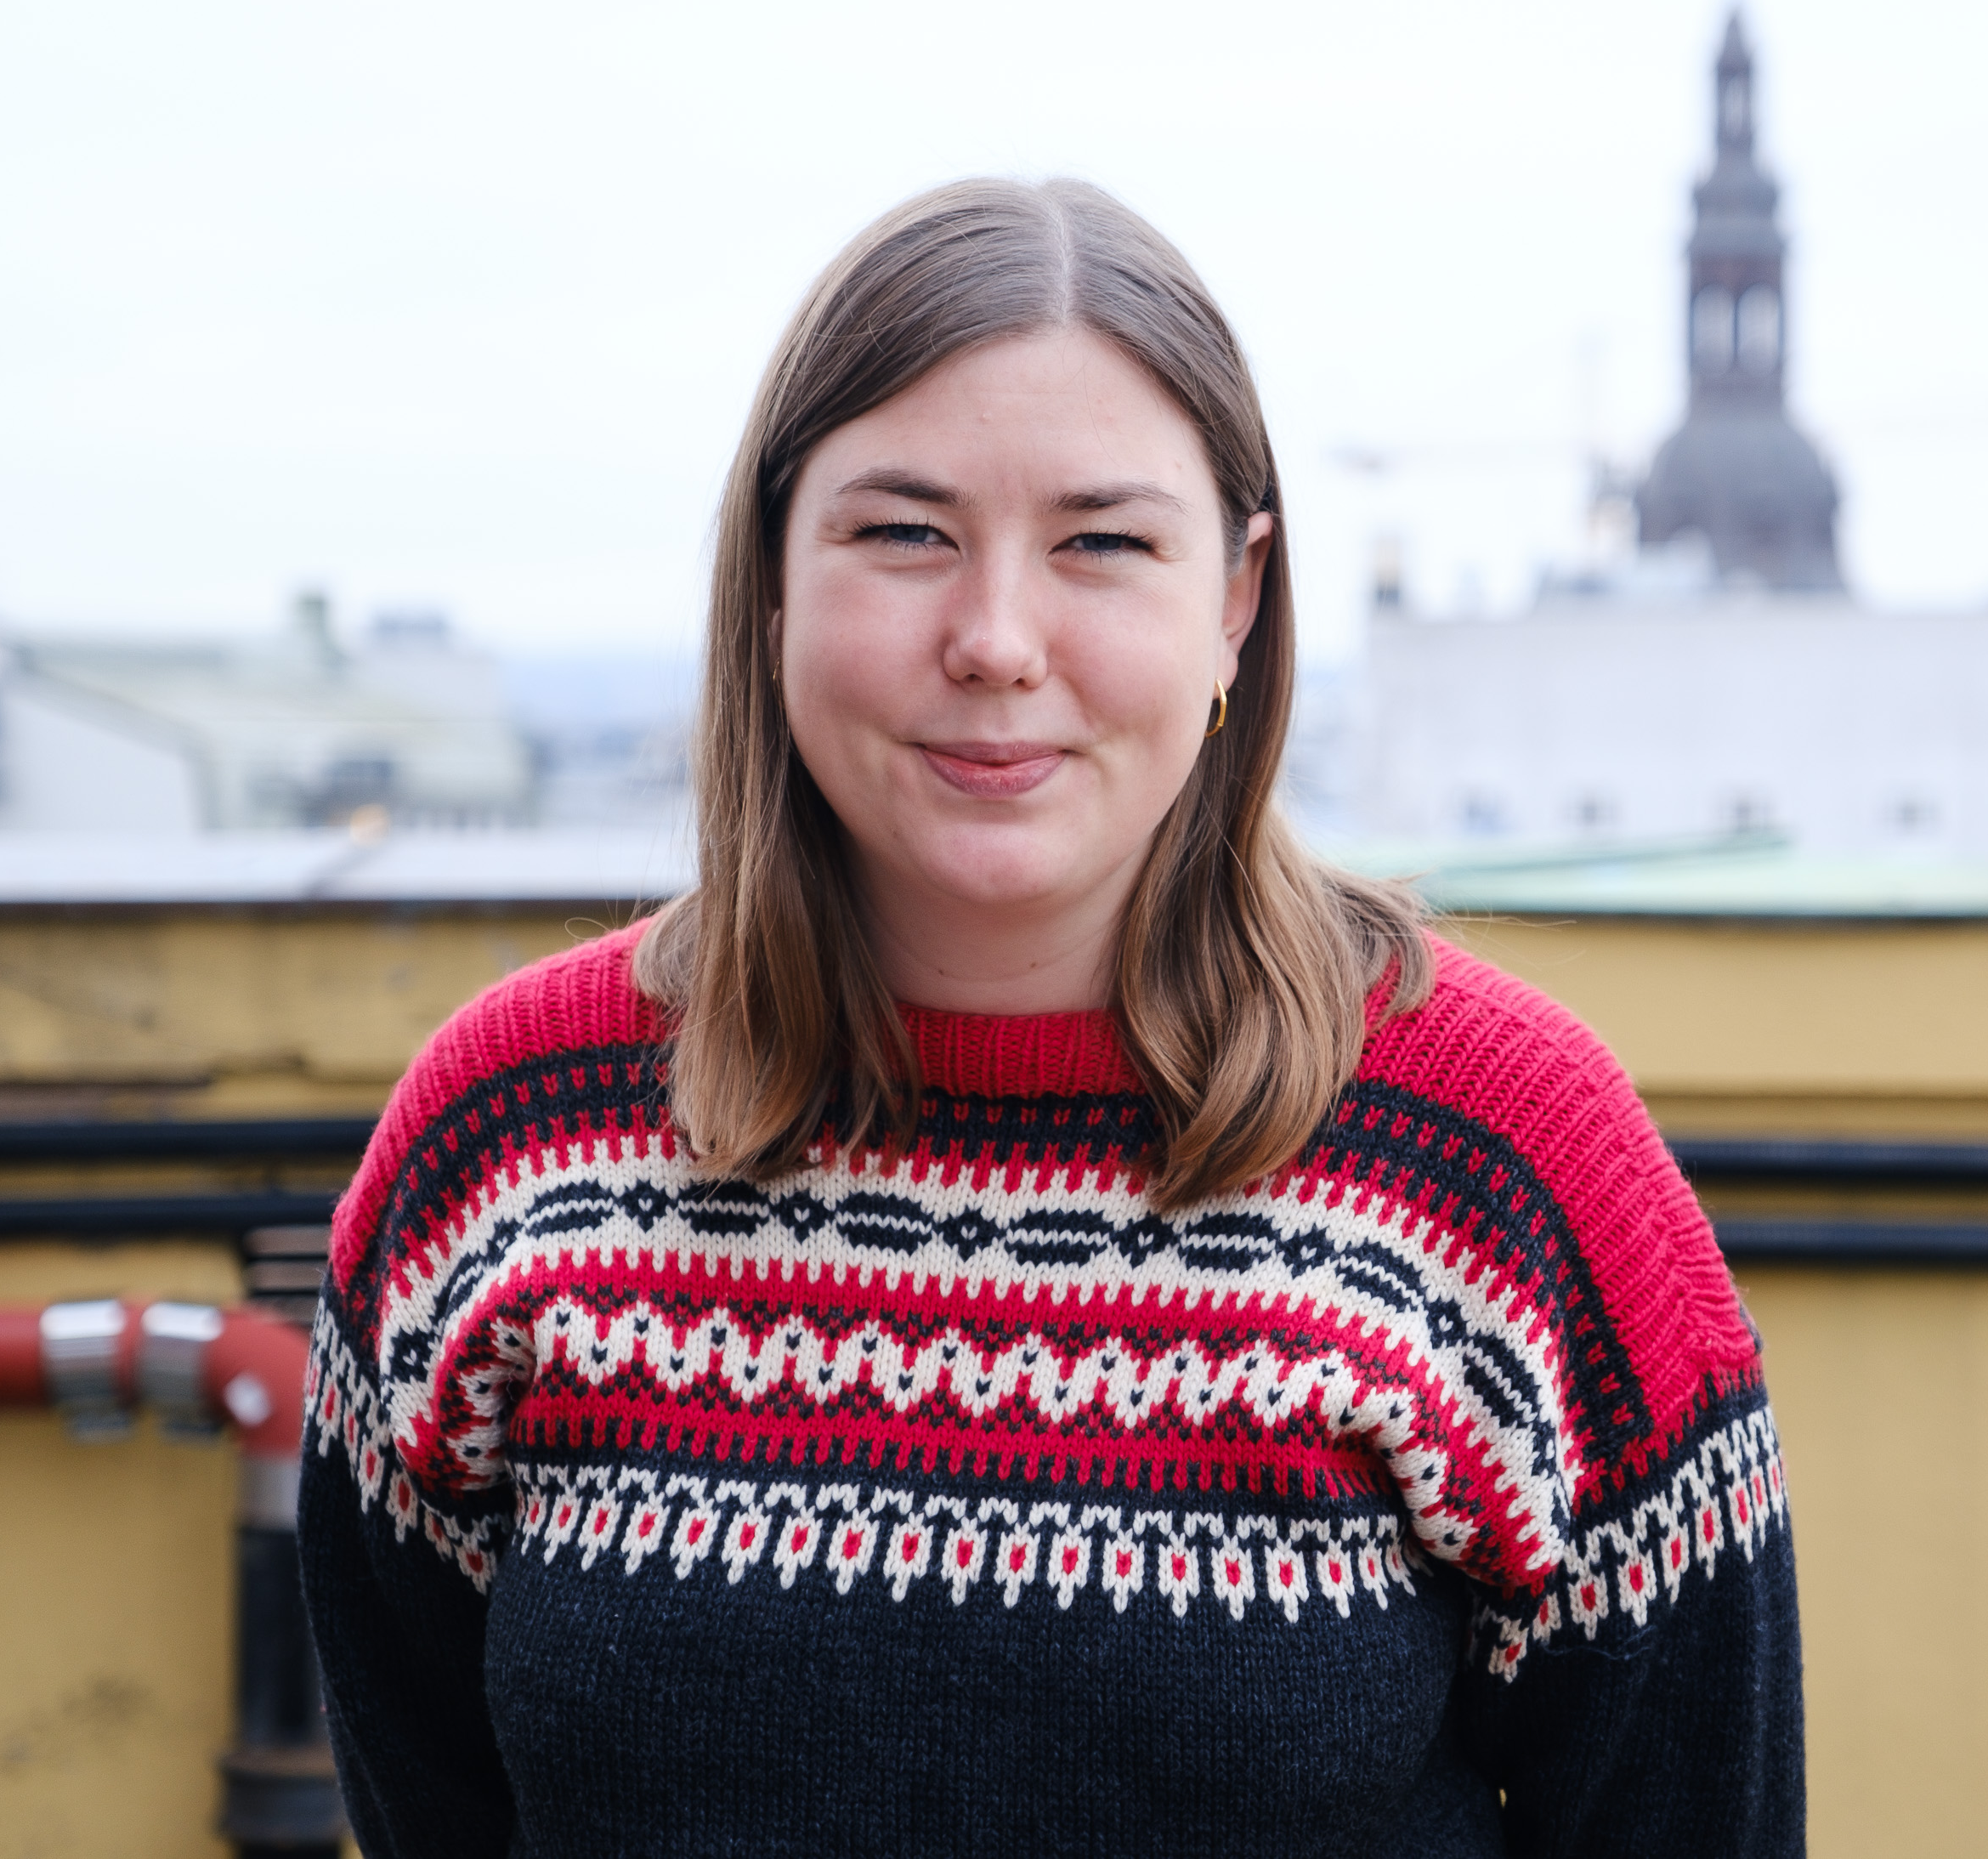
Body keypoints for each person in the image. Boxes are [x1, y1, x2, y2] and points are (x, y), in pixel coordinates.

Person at [299, 178, 1802, 1856]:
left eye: (1102, 541)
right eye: (903, 533)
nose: (997, 640)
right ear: (773, 576)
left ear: (1235, 598)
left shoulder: (1507, 1163)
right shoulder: (508, 1142)